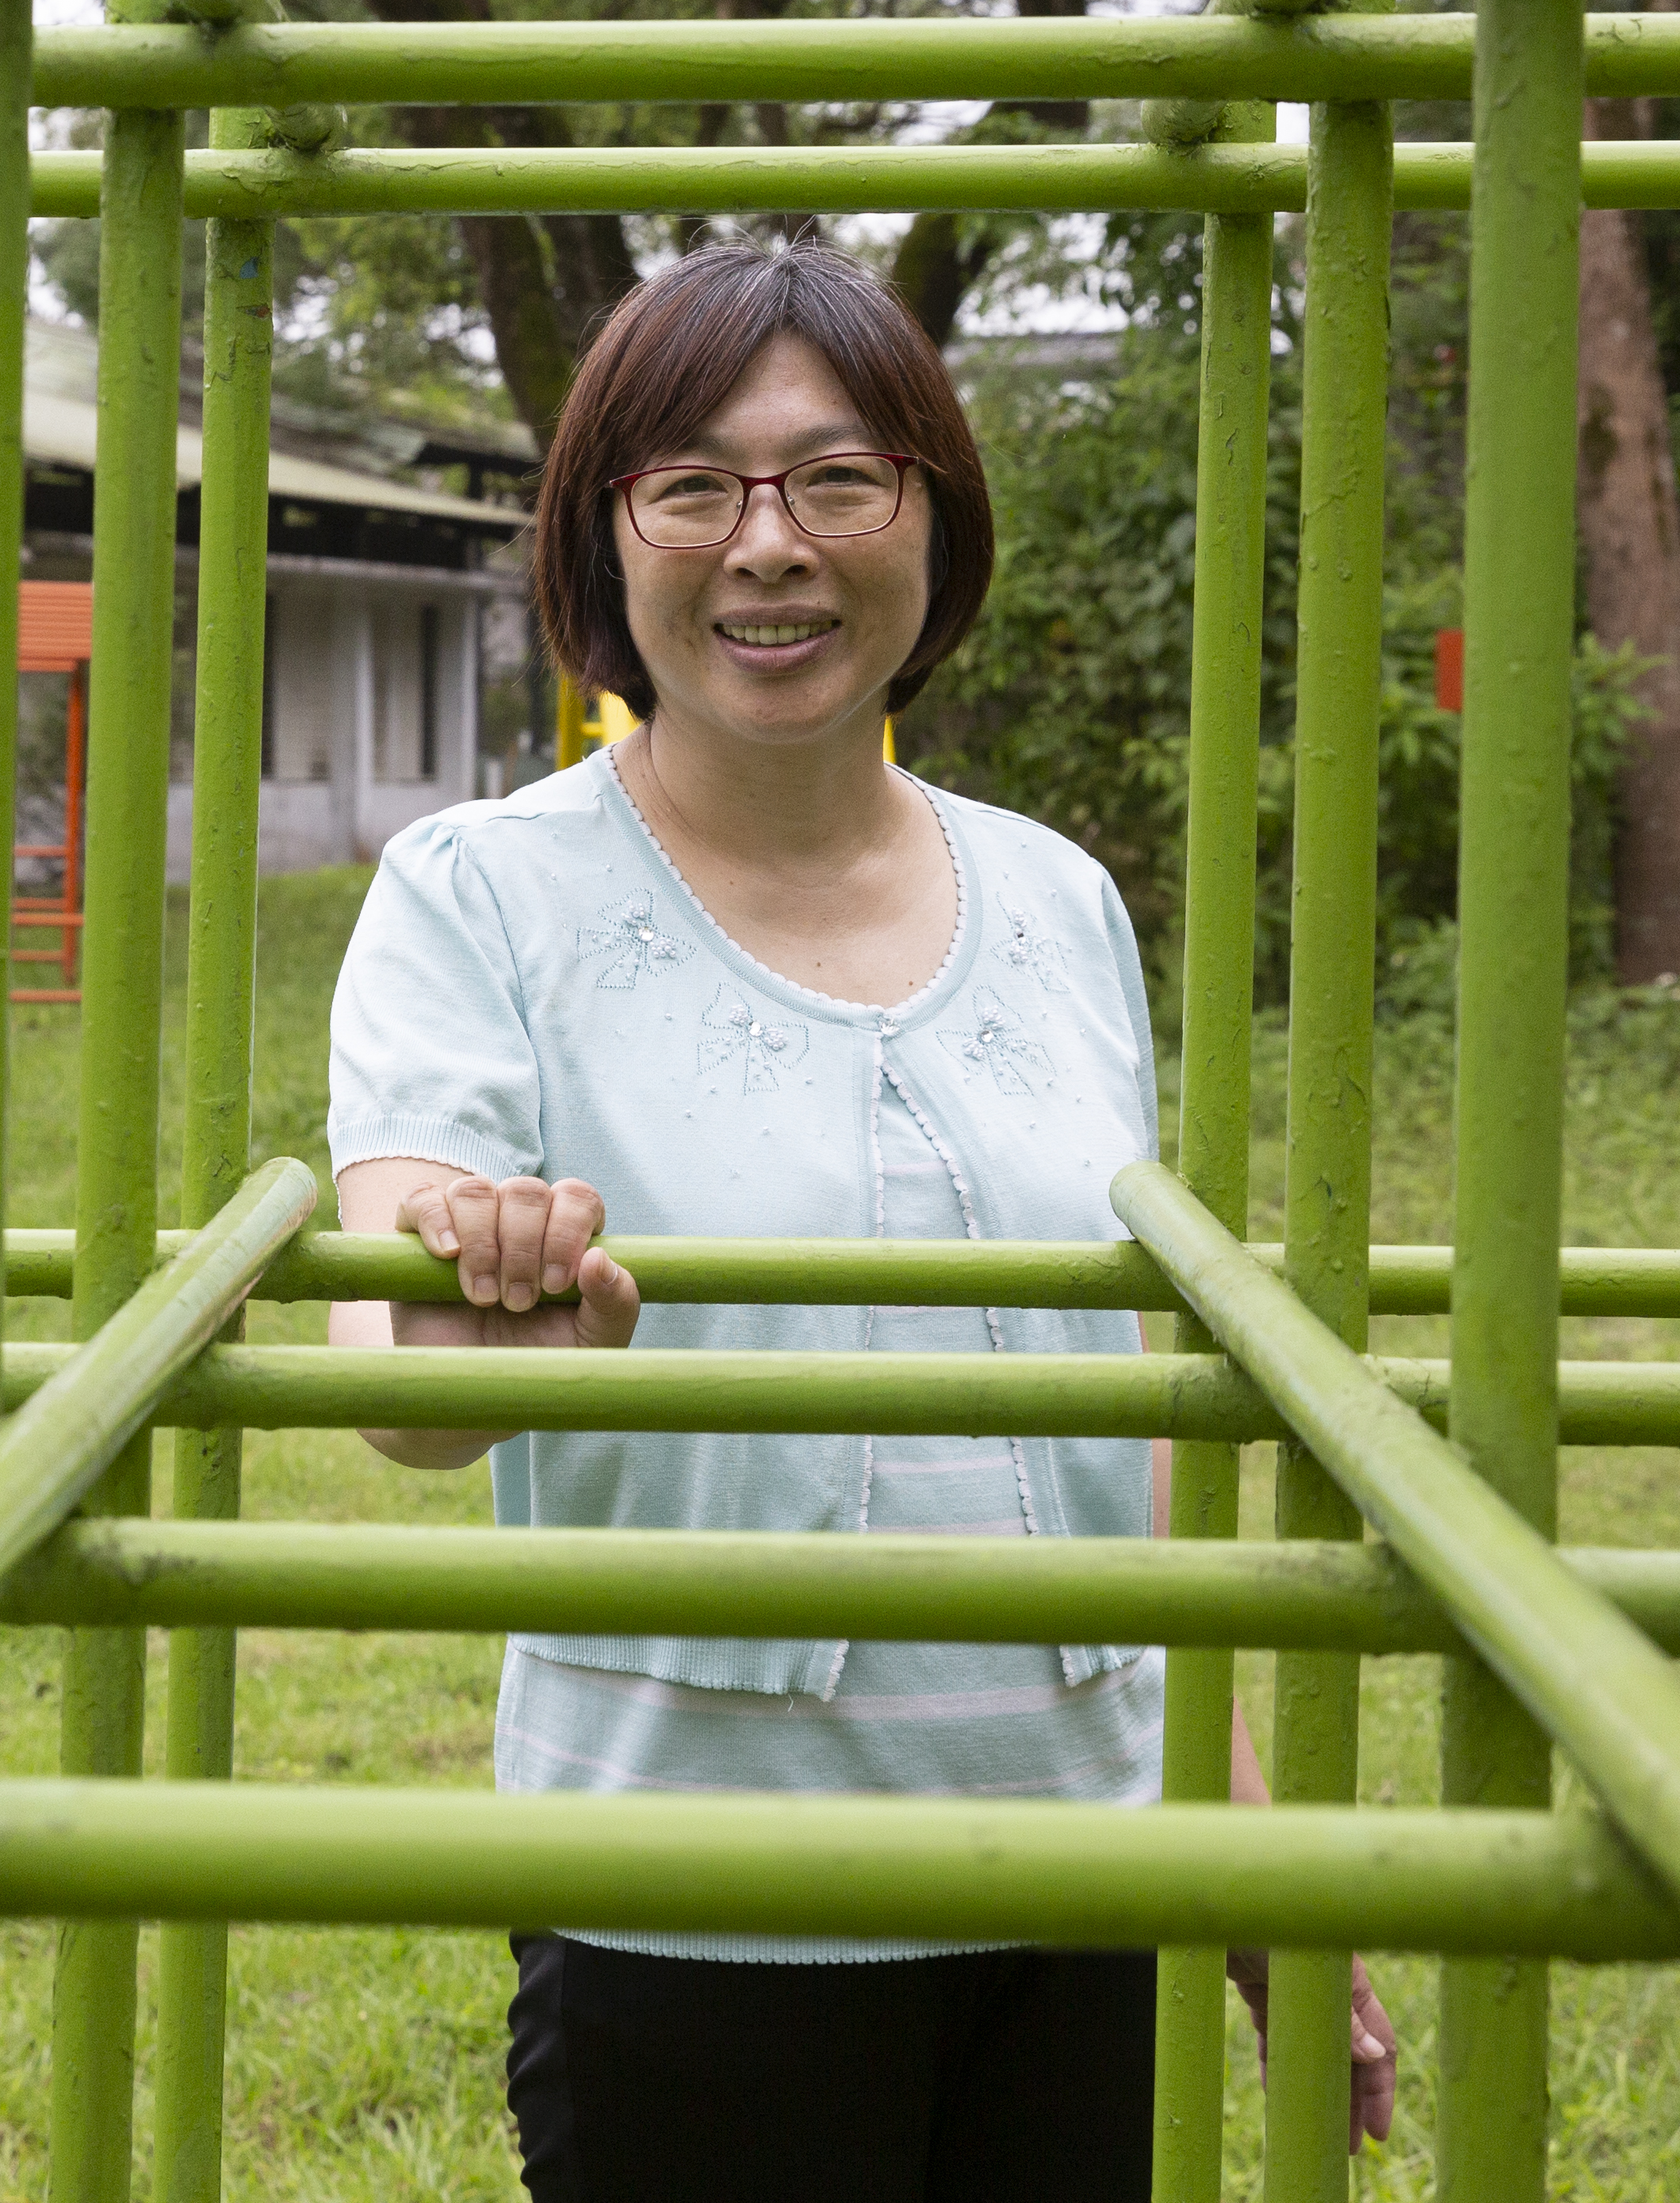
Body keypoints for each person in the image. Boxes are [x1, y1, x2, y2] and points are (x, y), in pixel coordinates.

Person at [324, 240, 1397, 2203]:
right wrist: (486, 1315)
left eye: (839, 479)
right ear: (603, 537)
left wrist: (1249, 1867)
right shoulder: (477, 891)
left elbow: (1125, 1421)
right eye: (695, 486)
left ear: (932, 517)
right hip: (687, 1894)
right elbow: (395, 1371)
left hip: (1082, 1885)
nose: (771, 547)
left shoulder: (1061, 899)